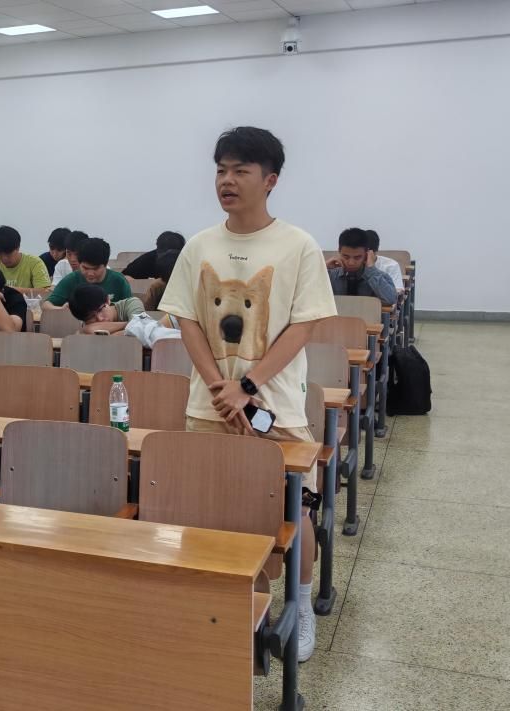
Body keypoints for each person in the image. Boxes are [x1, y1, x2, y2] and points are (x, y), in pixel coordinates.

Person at [159, 126, 336, 663]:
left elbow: (302, 327)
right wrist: (222, 388)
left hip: (274, 407)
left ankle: (299, 607)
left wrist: (248, 386)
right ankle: (225, 602)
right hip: (209, 405)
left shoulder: (298, 245)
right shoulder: (200, 245)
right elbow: (187, 321)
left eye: (240, 170)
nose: (226, 181)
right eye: (220, 170)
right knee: (213, 507)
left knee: (296, 510)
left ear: (270, 180)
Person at [44, 237, 132, 309]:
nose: (90, 273)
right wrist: (61, 309)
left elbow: (131, 310)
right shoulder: (72, 279)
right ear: (80, 263)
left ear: (105, 265)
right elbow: (46, 305)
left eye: (95, 269)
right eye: (85, 268)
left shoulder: (119, 281)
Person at [326, 228, 398, 305]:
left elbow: (390, 300)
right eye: (346, 257)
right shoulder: (330, 275)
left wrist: (371, 270)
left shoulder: (379, 276)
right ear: (339, 251)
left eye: (357, 257)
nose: (351, 263)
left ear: (366, 254)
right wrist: (323, 267)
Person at [0, 225, 51, 295]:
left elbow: (46, 292)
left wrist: (10, 290)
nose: (4, 258)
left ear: (18, 248)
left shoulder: (35, 263)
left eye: (8, 253)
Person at [67, 285, 150, 334]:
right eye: (91, 317)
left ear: (107, 300)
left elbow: (141, 327)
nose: (100, 318)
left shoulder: (131, 303)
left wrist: (90, 330)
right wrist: (128, 324)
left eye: (100, 310)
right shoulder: (84, 317)